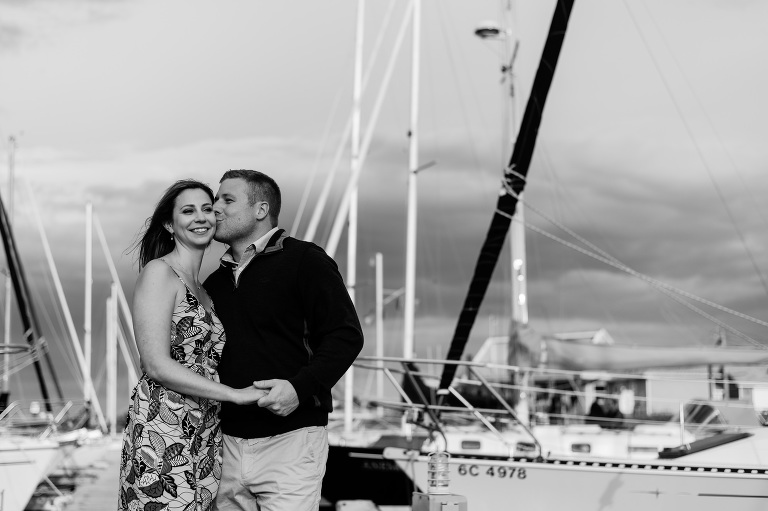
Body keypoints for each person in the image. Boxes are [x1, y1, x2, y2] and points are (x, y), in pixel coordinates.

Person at [204, 169, 364, 511]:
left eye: (227, 200)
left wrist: (299, 388)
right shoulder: (214, 283)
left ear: (261, 210)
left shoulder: (306, 260)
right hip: (226, 445)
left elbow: (346, 335)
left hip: (291, 440)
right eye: (216, 199)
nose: (215, 208)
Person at [118, 179, 265, 511]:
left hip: (207, 427)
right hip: (164, 421)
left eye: (207, 209)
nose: (201, 217)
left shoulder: (208, 290)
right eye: (188, 210)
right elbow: (155, 363)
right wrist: (236, 395)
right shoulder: (159, 273)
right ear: (170, 224)